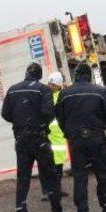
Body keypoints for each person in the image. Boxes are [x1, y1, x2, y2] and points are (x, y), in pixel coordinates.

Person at [1, 62, 68, 212]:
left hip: (21, 140)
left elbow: (5, 114)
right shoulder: (43, 90)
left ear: (26, 73)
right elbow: (48, 113)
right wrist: (39, 123)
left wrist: (20, 122)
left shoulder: (12, 89)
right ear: (39, 76)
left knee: (23, 179)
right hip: (40, 139)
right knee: (50, 175)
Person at [55, 63, 106, 212]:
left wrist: (69, 132)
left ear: (76, 75)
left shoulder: (64, 93)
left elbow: (59, 117)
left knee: (80, 176)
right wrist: (101, 126)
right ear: (89, 75)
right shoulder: (99, 91)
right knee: (103, 174)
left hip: (76, 140)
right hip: (96, 138)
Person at [39, 71, 69, 201]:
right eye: (50, 83)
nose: (51, 86)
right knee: (46, 164)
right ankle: (47, 190)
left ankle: (56, 189)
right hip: (49, 135)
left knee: (58, 164)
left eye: (53, 84)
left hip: (58, 136)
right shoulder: (47, 96)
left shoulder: (57, 96)